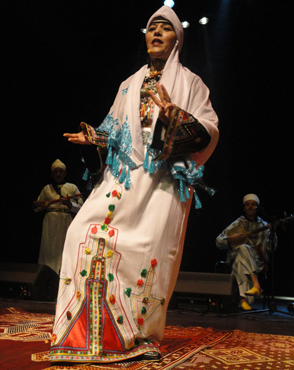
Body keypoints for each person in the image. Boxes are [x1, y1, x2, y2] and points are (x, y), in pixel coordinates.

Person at [50, 6, 219, 364]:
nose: (156, 33)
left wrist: (177, 119)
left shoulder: (191, 83)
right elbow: (114, 132)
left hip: (162, 180)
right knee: (80, 232)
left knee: (146, 252)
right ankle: (85, 333)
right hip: (123, 177)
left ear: (177, 40)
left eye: (165, 29)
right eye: (151, 28)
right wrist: (94, 139)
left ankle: (140, 335)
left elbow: (209, 130)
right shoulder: (128, 84)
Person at [216, 194, 277, 311]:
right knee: (243, 249)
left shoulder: (264, 225)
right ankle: (256, 285)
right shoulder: (238, 224)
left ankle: (243, 300)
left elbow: (272, 248)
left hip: (257, 262)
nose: (250, 207)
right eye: (247, 205)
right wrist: (230, 239)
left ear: (257, 207)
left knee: (241, 261)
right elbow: (218, 241)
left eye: (253, 204)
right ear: (244, 208)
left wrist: (273, 232)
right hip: (236, 257)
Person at [33, 159, 83, 274]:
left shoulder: (72, 187)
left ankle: (66, 274)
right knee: (49, 249)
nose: (58, 174)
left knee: (65, 248)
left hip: (66, 221)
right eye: (56, 172)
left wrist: (70, 205)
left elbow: (81, 207)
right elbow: (38, 207)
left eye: (60, 172)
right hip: (50, 223)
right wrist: (36, 205)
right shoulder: (47, 188)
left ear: (65, 174)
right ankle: (47, 274)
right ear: (52, 174)